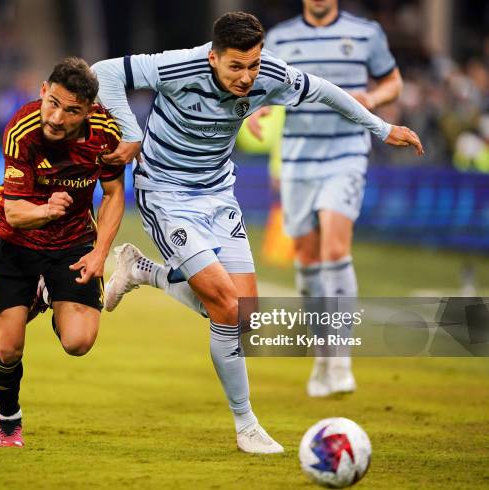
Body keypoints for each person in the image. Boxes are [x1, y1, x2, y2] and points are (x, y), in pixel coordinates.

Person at [91, 11, 422, 454]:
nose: (247, 77)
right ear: (213, 58)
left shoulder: (270, 75)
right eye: (236, 67)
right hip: (166, 194)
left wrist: (382, 128)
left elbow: (323, 90)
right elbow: (104, 72)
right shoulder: (178, 65)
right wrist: (131, 134)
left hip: (218, 195)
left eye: (253, 64)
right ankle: (246, 425)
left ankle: (141, 271)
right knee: (226, 306)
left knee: (242, 315)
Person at [246, 0, 405, 397]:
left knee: (336, 249)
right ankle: (322, 353)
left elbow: (393, 82)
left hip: (346, 154)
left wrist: (373, 98)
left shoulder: (366, 33)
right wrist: (255, 109)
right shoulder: (281, 38)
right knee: (307, 257)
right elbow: (264, 87)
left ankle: (341, 358)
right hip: (298, 158)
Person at [0, 57, 125, 447]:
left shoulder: (106, 133)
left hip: (73, 241)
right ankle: (8, 419)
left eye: (72, 110)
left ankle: (48, 293)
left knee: (78, 342)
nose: (58, 117)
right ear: (43, 91)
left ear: (90, 111)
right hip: (13, 241)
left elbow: (113, 195)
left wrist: (100, 254)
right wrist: (46, 209)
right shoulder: (22, 130)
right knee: (8, 348)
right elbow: (14, 211)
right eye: (53, 103)